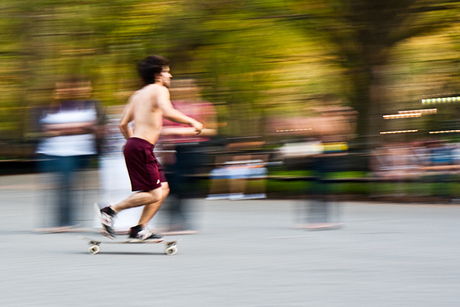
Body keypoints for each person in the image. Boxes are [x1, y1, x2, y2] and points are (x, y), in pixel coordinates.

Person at [97, 55, 203, 242]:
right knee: (154, 193)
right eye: (167, 71)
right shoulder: (159, 90)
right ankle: (110, 210)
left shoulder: (137, 95)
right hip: (141, 146)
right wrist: (191, 121)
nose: (170, 76)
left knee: (163, 189)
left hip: (136, 145)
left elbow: (123, 124)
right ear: (157, 74)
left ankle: (138, 229)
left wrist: (134, 144)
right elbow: (168, 112)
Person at [35, 76, 103, 231]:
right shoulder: (50, 107)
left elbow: (95, 126)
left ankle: (67, 220)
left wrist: (60, 129)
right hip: (54, 152)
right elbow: (45, 129)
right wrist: (82, 127)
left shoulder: (91, 105)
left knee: (71, 185)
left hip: (80, 152)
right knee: (62, 185)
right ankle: (63, 221)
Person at [158, 79, 217, 232]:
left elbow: (212, 130)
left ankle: (183, 221)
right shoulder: (170, 107)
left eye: (188, 86)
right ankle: (173, 221)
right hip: (172, 150)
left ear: (195, 88)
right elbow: (160, 128)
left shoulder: (204, 106)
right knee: (171, 186)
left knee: (187, 187)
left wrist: (184, 131)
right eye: (180, 86)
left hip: (193, 150)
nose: (184, 89)